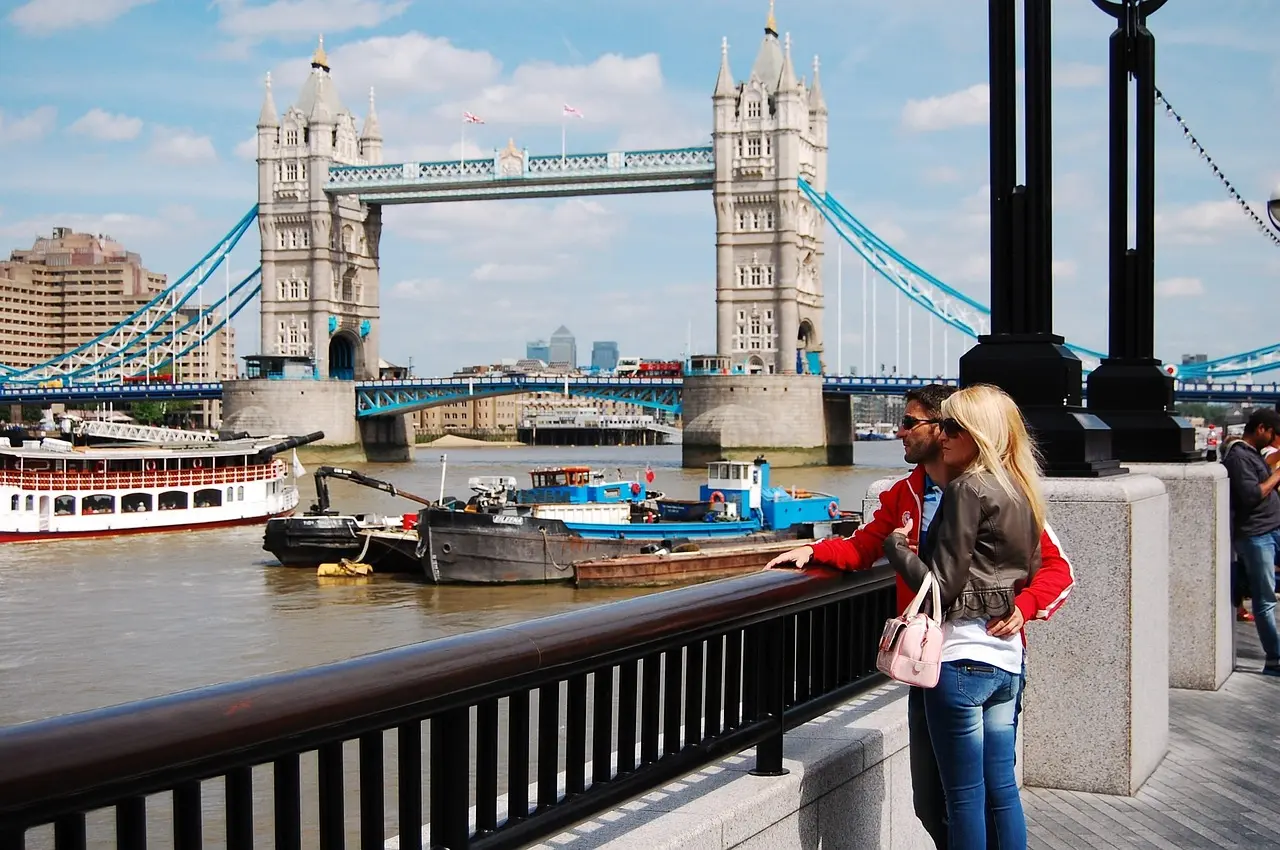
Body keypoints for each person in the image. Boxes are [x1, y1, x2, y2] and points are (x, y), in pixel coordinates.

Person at [766, 384, 1074, 849]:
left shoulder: (983, 488)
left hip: (966, 657)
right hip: (931, 660)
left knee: (973, 798)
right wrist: (814, 549)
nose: (900, 432)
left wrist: (1025, 607)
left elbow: (1057, 568)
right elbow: (861, 545)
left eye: (912, 423)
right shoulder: (904, 494)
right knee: (933, 801)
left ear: (946, 430)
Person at [885, 384, 1042, 849]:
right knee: (1002, 793)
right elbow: (1029, 574)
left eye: (954, 426)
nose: (945, 434)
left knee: (964, 800)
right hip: (1007, 662)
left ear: (979, 433)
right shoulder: (1021, 488)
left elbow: (941, 586)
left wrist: (896, 547)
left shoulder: (966, 489)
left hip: (961, 662)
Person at [1221, 409, 1280, 676]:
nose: (1272, 439)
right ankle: (1275, 659)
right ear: (1261, 428)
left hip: (1271, 531)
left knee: (1265, 595)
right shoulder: (1239, 457)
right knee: (1265, 599)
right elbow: (1251, 495)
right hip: (1258, 536)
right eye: (1272, 433)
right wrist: (1278, 475)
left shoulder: (1251, 453)